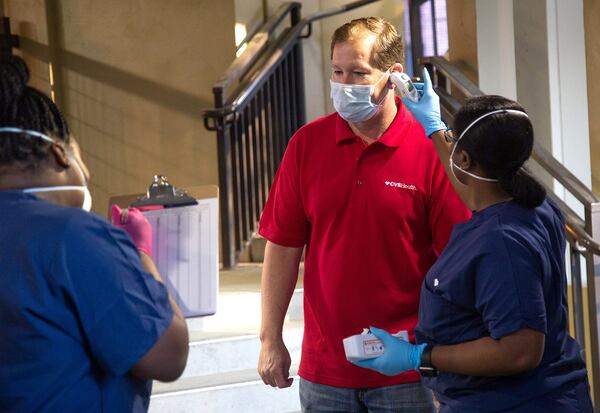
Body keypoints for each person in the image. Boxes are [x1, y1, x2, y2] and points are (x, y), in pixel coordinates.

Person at [257, 17, 470, 412]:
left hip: (408, 371)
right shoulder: (307, 145)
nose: (344, 84)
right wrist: (270, 336)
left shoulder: (430, 150)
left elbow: (458, 259)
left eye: (358, 73)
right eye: (337, 72)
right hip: (326, 371)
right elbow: (283, 246)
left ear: (394, 76)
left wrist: (447, 355)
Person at [354, 69, 594, 412]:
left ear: (464, 158)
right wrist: (435, 128)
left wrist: (419, 356)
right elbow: (474, 193)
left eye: (455, 139)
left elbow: (520, 350)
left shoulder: (502, 243)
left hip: (518, 403)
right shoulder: (532, 203)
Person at [0, 54, 189, 412]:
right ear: (59, 154)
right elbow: (167, 355)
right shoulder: (74, 236)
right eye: (79, 156)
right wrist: (140, 256)